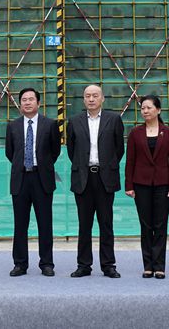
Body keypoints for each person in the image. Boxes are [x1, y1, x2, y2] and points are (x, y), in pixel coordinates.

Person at [66, 84, 124, 278]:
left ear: (102, 98)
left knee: (106, 223)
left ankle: (108, 265)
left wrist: (107, 165)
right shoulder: (74, 121)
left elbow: (119, 149)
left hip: (105, 177)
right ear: (83, 99)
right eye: (87, 96)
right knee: (84, 224)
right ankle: (84, 265)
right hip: (83, 178)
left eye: (95, 95)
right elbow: (72, 150)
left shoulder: (114, 119)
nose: (91, 99)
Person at [5, 88, 61, 277]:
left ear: (38, 103)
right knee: (20, 224)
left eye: (31, 99)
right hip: (20, 179)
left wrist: (42, 166)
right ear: (20, 104)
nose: (27, 102)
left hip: (41, 178)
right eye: (24, 100)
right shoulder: (12, 126)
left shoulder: (50, 124)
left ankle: (47, 263)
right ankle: (20, 264)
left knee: (45, 223)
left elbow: (55, 151)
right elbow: (10, 152)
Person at [124, 95, 169, 279]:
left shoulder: (168, 132)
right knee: (145, 225)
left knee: (161, 225)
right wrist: (129, 185)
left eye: (149, 107)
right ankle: (148, 265)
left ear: (158, 110)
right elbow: (130, 161)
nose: (145, 111)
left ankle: (159, 266)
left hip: (163, 184)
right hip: (141, 184)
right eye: (143, 108)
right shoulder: (135, 133)